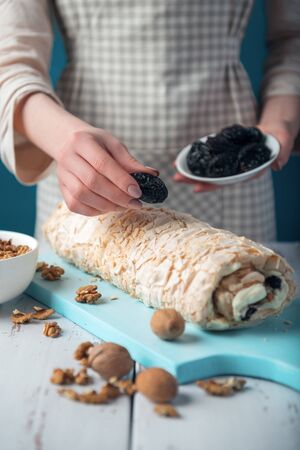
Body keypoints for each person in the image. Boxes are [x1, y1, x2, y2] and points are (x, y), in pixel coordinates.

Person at [0, 0, 299, 245]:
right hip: (85, 181)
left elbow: (293, 38)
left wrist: (278, 124)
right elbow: (10, 64)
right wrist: (65, 140)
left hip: (233, 180)